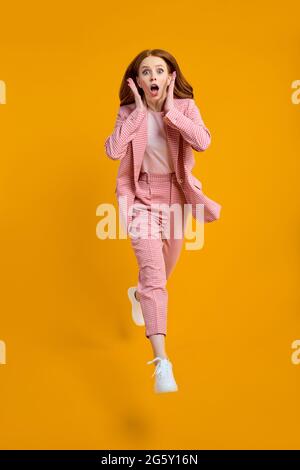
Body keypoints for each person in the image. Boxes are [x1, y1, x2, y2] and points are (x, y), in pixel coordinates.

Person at [104, 49, 221, 393]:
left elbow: (203, 142)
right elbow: (112, 151)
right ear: (137, 82)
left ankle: (140, 297)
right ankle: (162, 363)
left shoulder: (184, 108)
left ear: (170, 77)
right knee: (154, 276)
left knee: (164, 270)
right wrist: (137, 115)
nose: (153, 76)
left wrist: (171, 113)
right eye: (145, 72)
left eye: (159, 70)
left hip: (175, 195)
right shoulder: (128, 113)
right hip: (140, 197)